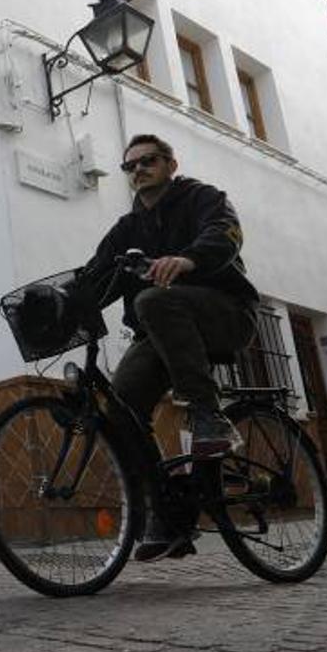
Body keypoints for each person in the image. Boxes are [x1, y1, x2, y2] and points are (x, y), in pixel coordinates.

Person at [82, 134, 259, 561]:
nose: (139, 169)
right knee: (121, 409)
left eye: (149, 161)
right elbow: (94, 278)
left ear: (170, 164)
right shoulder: (128, 229)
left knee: (152, 299)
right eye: (131, 166)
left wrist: (190, 259)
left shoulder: (201, 197)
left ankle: (208, 416)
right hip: (164, 332)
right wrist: (52, 307)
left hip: (226, 314)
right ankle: (171, 517)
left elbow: (226, 233)